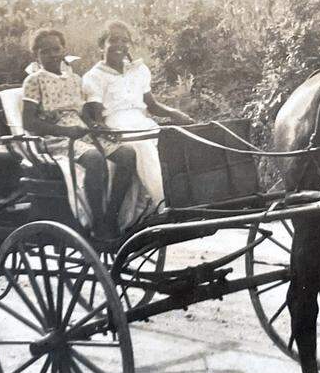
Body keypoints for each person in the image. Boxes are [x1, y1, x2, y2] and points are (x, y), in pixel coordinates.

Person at [20, 28, 135, 239]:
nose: (53, 55)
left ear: (64, 50)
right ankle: (98, 223)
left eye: (56, 49)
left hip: (81, 132)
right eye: (46, 52)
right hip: (54, 138)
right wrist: (64, 131)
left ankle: (112, 215)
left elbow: (83, 113)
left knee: (127, 154)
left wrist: (99, 127)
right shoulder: (34, 81)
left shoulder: (74, 79)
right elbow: (28, 122)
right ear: (36, 55)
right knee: (94, 158)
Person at [81, 20, 194, 224]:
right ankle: (164, 205)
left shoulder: (138, 71)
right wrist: (104, 130)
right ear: (101, 45)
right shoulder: (94, 76)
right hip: (116, 125)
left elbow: (151, 105)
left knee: (175, 140)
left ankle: (184, 198)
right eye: (113, 40)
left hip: (141, 122)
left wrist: (174, 113)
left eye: (125, 40)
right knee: (142, 146)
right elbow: (97, 117)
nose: (119, 45)